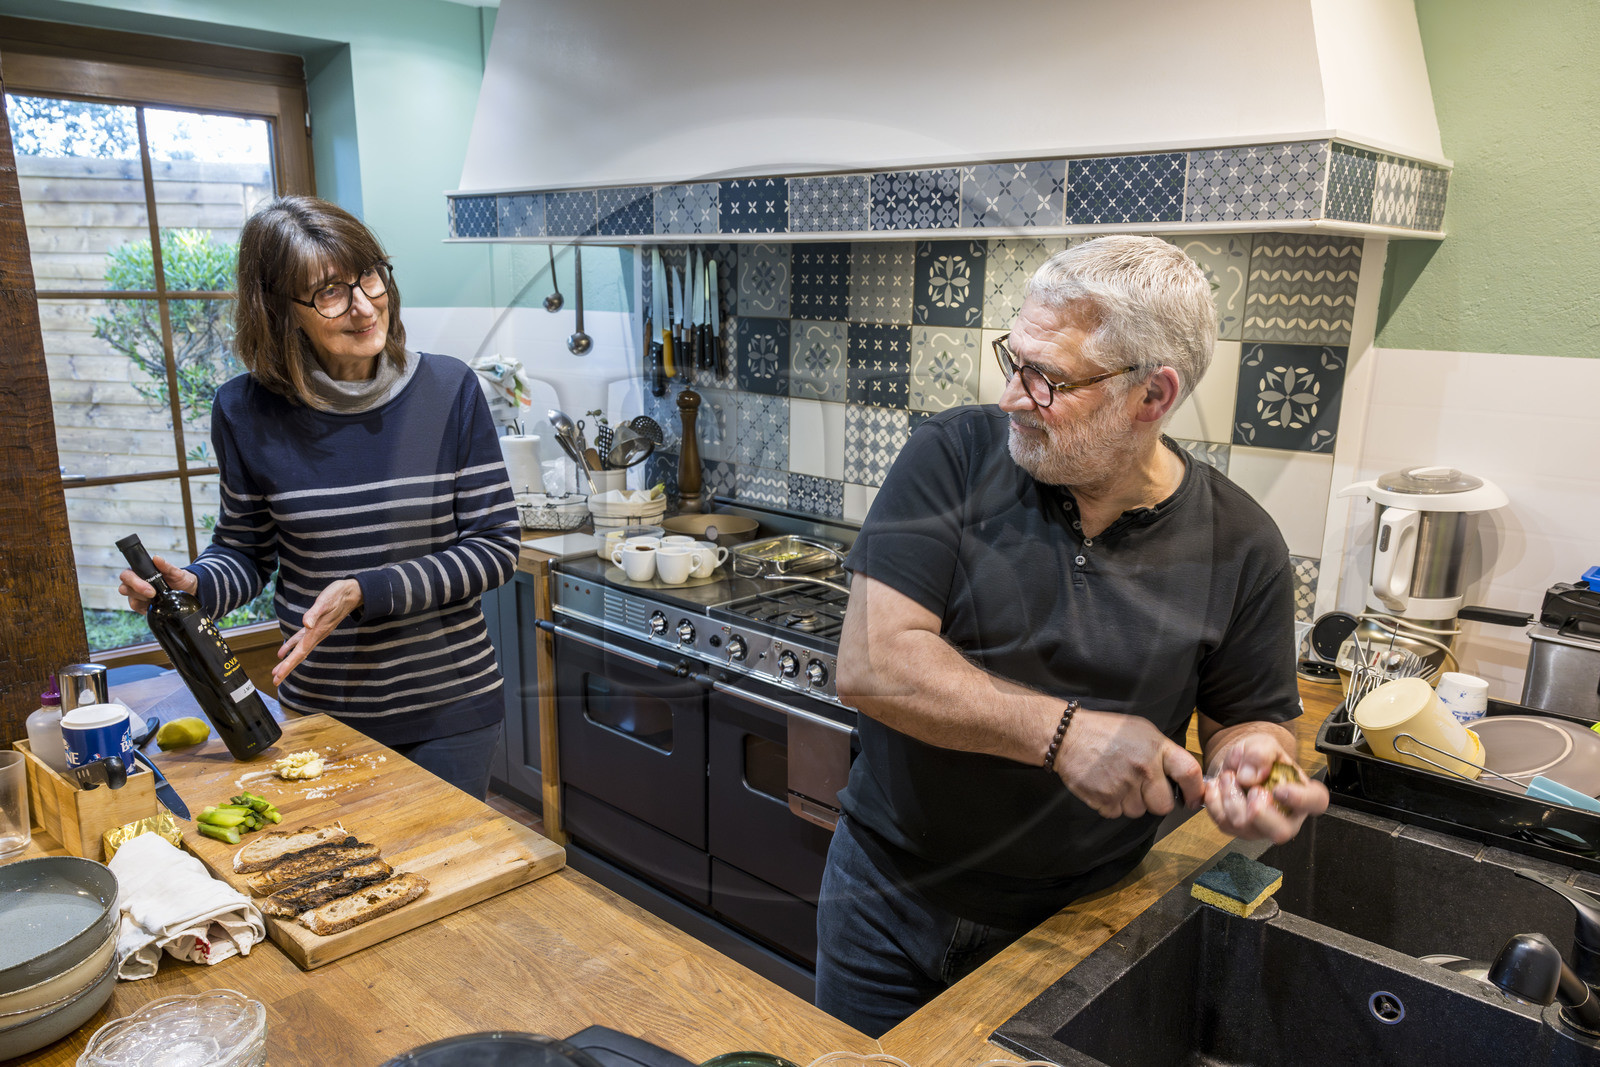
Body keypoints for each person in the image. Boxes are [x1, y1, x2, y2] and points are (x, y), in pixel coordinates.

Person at [817, 235, 1330, 1036]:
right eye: (1014, 360)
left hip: (1080, 927)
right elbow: (873, 663)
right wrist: (1063, 734)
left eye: (1047, 378)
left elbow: (1252, 720)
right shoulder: (951, 455)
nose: (1015, 397)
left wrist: (1256, 767)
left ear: (1152, 396)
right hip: (884, 899)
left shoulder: (1243, 543)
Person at [116, 196, 521, 799]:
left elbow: (495, 548)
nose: (364, 306)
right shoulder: (243, 410)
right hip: (322, 711)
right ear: (279, 311)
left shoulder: (449, 389)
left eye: (370, 276)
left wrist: (367, 589)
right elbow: (247, 552)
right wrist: (198, 585)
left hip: (450, 708)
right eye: (331, 292)